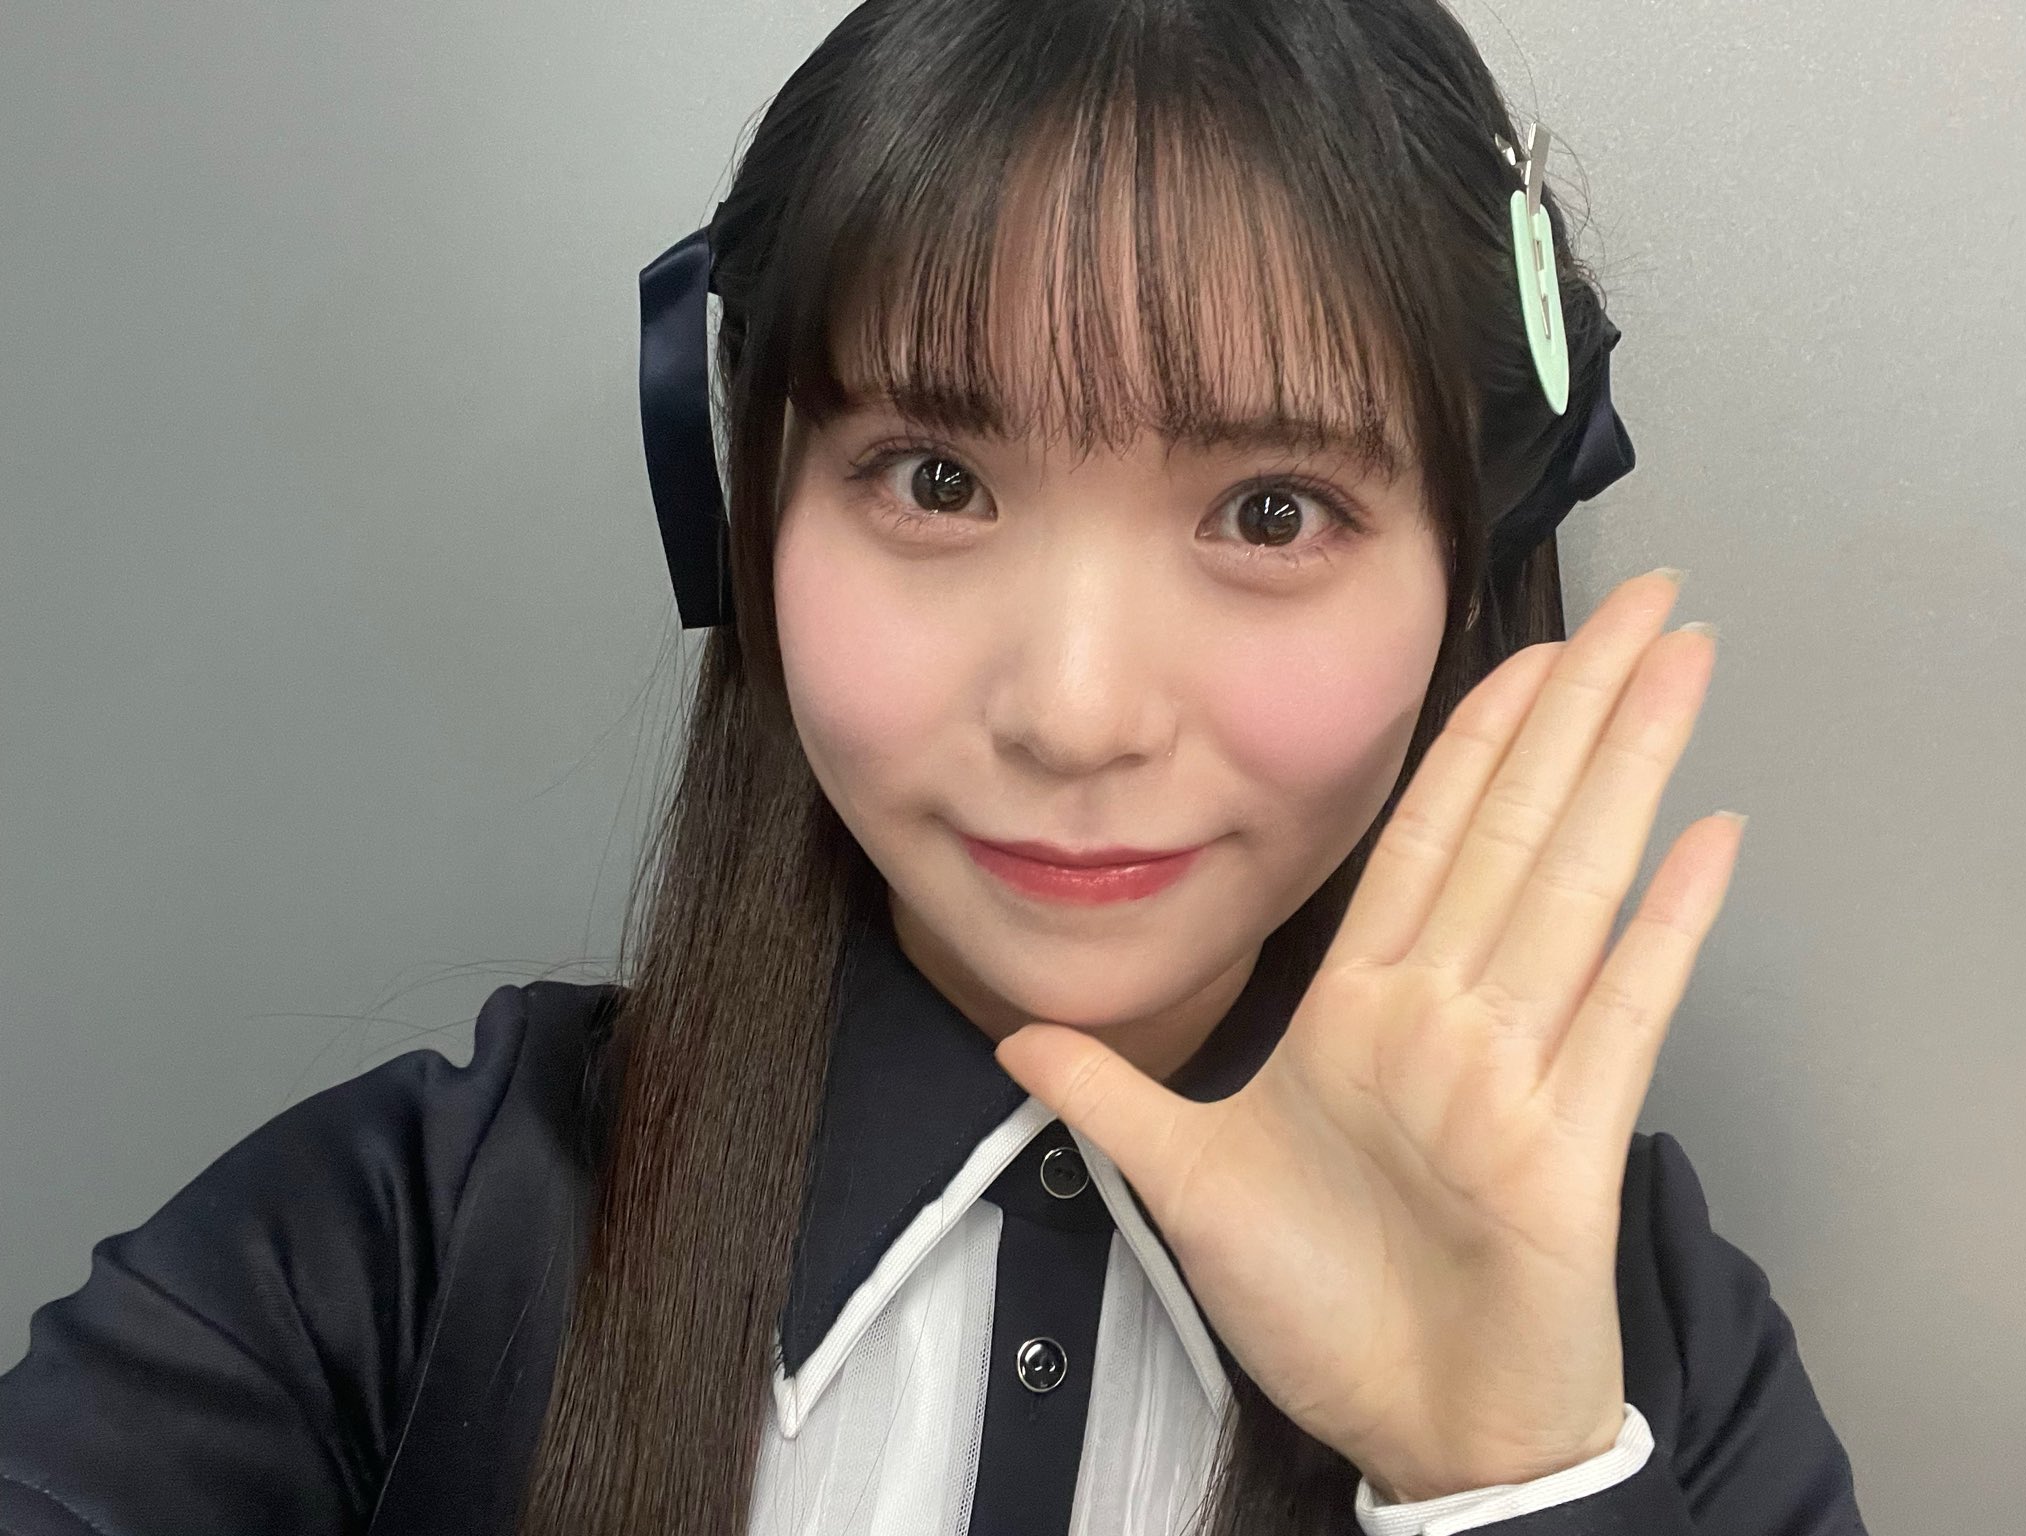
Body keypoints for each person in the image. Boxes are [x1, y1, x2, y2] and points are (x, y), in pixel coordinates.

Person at [0, 1, 1869, 1533]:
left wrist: (1508, 1475)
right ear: (751, 513)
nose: (1075, 711)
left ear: (1466, 574)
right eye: (938, 480)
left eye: (1271, 510)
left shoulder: (1641, 1341)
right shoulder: (397, 1247)